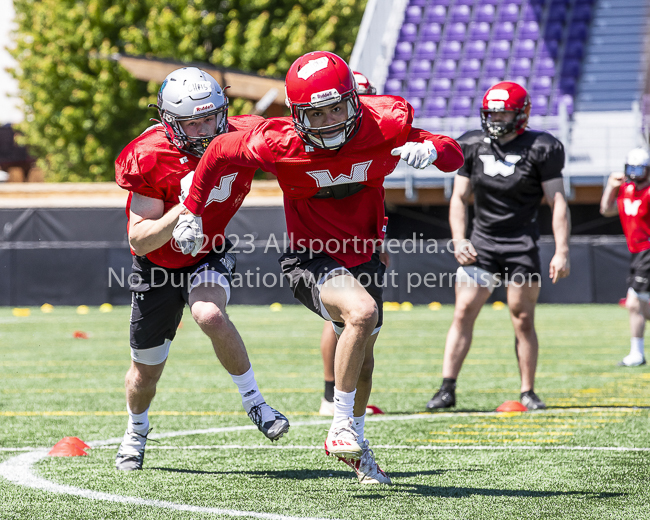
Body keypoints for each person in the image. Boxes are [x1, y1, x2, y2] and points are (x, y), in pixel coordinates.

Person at [177, 51, 464, 484]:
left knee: (364, 360)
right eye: (317, 112)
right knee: (361, 312)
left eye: (337, 108)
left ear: (354, 101)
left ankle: (359, 447)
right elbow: (217, 151)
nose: (330, 120)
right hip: (311, 257)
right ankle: (340, 425)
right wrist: (190, 211)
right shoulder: (277, 141)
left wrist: (432, 150)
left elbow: (454, 155)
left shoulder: (383, 124)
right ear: (296, 115)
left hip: (363, 256)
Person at [113, 67, 289, 471]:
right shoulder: (149, 154)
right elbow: (140, 239)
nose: (206, 129)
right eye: (193, 123)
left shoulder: (244, 133)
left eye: (211, 117)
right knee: (144, 374)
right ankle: (136, 430)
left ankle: (255, 403)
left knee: (208, 313)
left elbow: (301, 135)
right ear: (170, 123)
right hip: (157, 265)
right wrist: (184, 209)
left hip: (208, 253)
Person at [426, 81, 571, 412]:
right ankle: (447, 388)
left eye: (504, 112)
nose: (497, 119)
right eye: (492, 112)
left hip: (521, 244)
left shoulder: (542, 147)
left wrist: (562, 249)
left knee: (522, 317)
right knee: (463, 311)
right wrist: (459, 238)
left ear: (522, 114)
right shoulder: (473, 144)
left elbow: (557, 201)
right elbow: (459, 197)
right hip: (482, 244)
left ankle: (528, 391)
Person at [318, 70, 388, 417]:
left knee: (362, 331)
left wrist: (380, 237)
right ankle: (333, 395)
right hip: (327, 247)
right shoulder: (326, 141)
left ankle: (346, 410)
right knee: (347, 319)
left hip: (364, 245)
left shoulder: (372, 136)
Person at [600, 147, 650, 367]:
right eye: (632, 168)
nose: (636, 173)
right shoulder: (626, 189)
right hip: (636, 252)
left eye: (640, 169)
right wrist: (610, 188)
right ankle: (636, 353)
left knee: (634, 303)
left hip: (647, 251)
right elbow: (606, 210)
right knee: (638, 305)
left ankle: (636, 354)